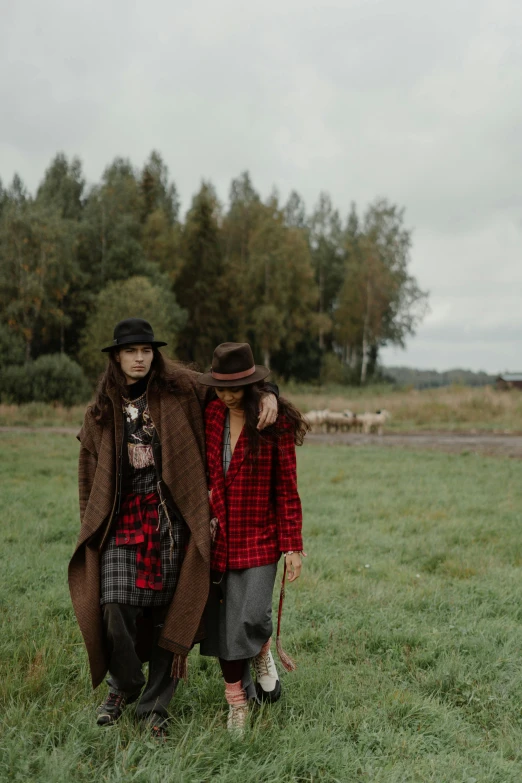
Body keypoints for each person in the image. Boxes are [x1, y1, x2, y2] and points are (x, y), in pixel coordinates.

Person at [68, 319, 278, 738]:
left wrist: (269, 391)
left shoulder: (180, 388)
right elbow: (89, 476)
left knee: (172, 619)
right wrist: (91, 528)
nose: (140, 358)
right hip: (122, 523)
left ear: (155, 353)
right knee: (114, 608)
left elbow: (231, 383)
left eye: (146, 350)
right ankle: (123, 685)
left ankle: (153, 711)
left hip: (171, 521)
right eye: (131, 351)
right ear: (116, 356)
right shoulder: (101, 409)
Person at [198, 342, 308, 735]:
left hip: (261, 536)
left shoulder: (272, 422)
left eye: (235, 388)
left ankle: (261, 647)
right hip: (219, 536)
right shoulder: (209, 413)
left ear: (251, 385)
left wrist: (292, 546)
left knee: (251, 615)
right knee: (225, 626)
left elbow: (287, 488)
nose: (226, 396)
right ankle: (237, 704)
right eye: (220, 388)